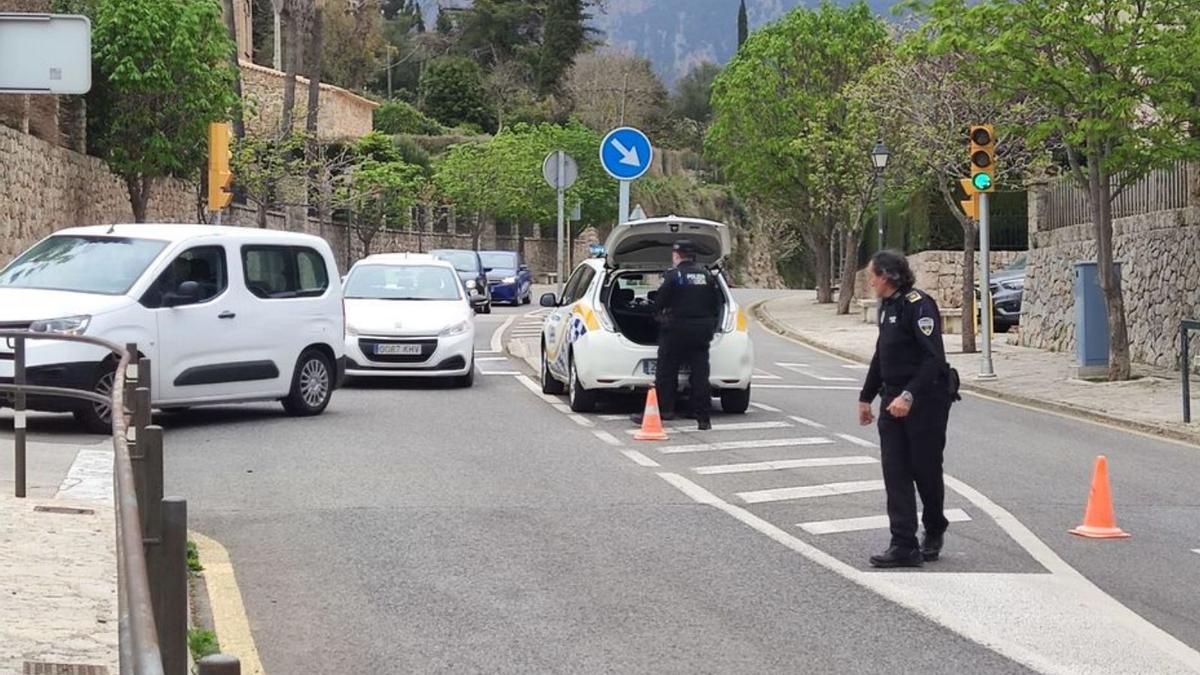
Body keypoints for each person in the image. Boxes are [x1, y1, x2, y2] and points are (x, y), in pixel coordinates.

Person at [858, 250, 954, 568]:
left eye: (872, 274)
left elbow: (933, 359)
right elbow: (881, 354)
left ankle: (935, 526)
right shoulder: (887, 307)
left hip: (925, 402)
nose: (869, 280)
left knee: (924, 470)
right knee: (895, 472)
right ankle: (903, 544)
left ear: (887, 276)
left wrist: (909, 396)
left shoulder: (919, 305)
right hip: (891, 401)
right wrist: (866, 397)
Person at [633, 239, 723, 431]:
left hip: (676, 330)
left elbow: (659, 302)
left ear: (677, 255)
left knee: (667, 371)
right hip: (701, 330)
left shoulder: (674, 276)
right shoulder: (707, 276)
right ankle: (703, 418)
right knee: (700, 373)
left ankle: (665, 410)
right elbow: (717, 305)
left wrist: (659, 317)